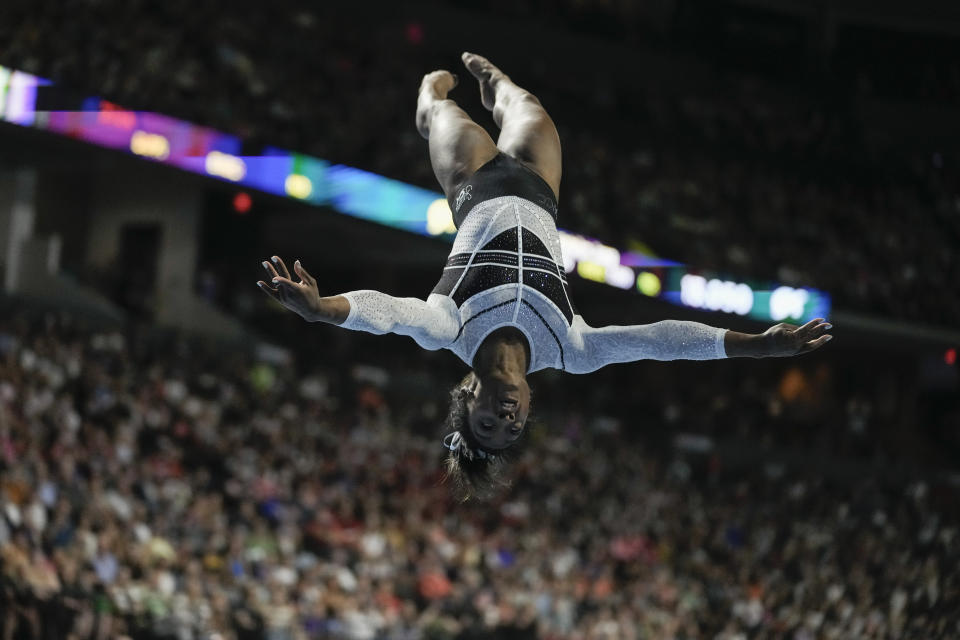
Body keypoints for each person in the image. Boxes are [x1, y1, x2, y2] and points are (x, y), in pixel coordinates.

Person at [257, 52, 833, 498]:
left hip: (471, 184)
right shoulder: (569, 349)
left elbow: (385, 314)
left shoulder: (449, 328)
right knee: (525, 103)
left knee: (441, 108)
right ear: (530, 406)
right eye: (512, 429)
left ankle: (427, 105)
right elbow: (661, 341)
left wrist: (322, 308)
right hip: (539, 189)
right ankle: (500, 92)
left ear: (469, 396)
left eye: (487, 423)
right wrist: (755, 347)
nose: (504, 421)